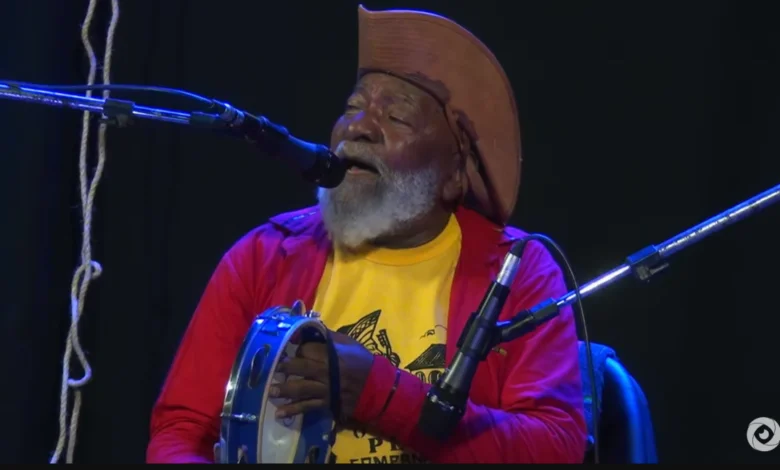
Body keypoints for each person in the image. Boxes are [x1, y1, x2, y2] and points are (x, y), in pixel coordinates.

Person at [146, 5, 587, 464]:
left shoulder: (518, 271)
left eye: (397, 118)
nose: (357, 128)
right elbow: (181, 433)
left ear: (455, 173)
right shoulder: (263, 256)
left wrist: (379, 394)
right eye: (352, 108)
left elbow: (556, 447)